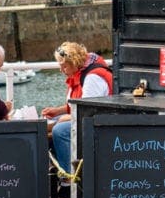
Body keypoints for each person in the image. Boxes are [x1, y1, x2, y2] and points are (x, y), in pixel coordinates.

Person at [42, 42, 112, 174]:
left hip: (97, 122)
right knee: (51, 125)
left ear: (74, 63)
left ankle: (69, 178)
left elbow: (87, 111)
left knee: (60, 131)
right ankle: (60, 167)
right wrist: (57, 111)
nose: (61, 70)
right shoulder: (80, 73)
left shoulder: (92, 78)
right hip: (85, 117)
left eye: (64, 66)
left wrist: (62, 119)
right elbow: (79, 104)